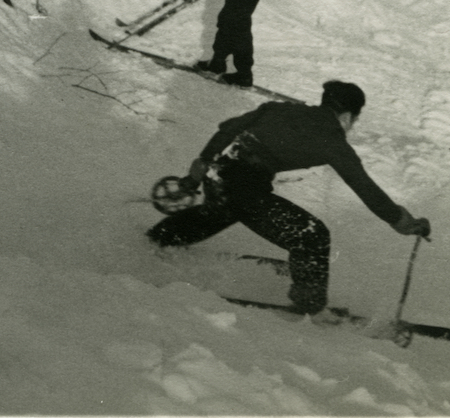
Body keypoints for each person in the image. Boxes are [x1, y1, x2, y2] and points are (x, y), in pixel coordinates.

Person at [147, 80, 431, 318]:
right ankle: (309, 306)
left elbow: (228, 127)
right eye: (354, 120)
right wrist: (404, 222)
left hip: (220, 175)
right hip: (245, 186)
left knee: (224, 209)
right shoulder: (333, 142)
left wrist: (200, 168)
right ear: (347, 117)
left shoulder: (278, 109)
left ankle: (156, 240)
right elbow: (366, 189)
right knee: (312, 236)